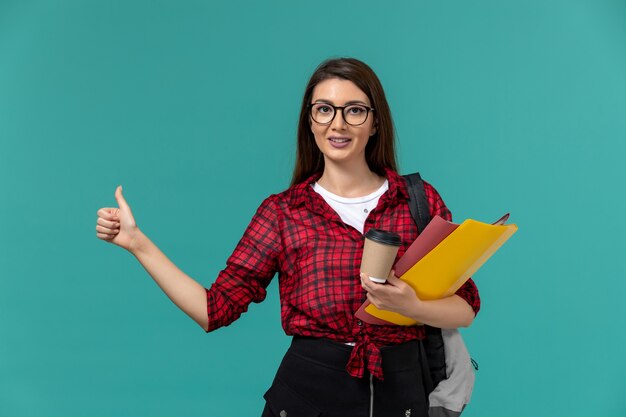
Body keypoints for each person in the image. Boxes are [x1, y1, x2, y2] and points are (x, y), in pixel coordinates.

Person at [95, 57, 480, 417]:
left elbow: (465, 306)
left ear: (375, 122)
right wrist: (137, 243)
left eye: (355, 110)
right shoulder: (283, 212)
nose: (338, 124)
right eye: (324, 109)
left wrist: (412, 307)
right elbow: (214, 310)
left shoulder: (416, 200)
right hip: (307, 396)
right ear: (310, 121)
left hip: (402, 394)